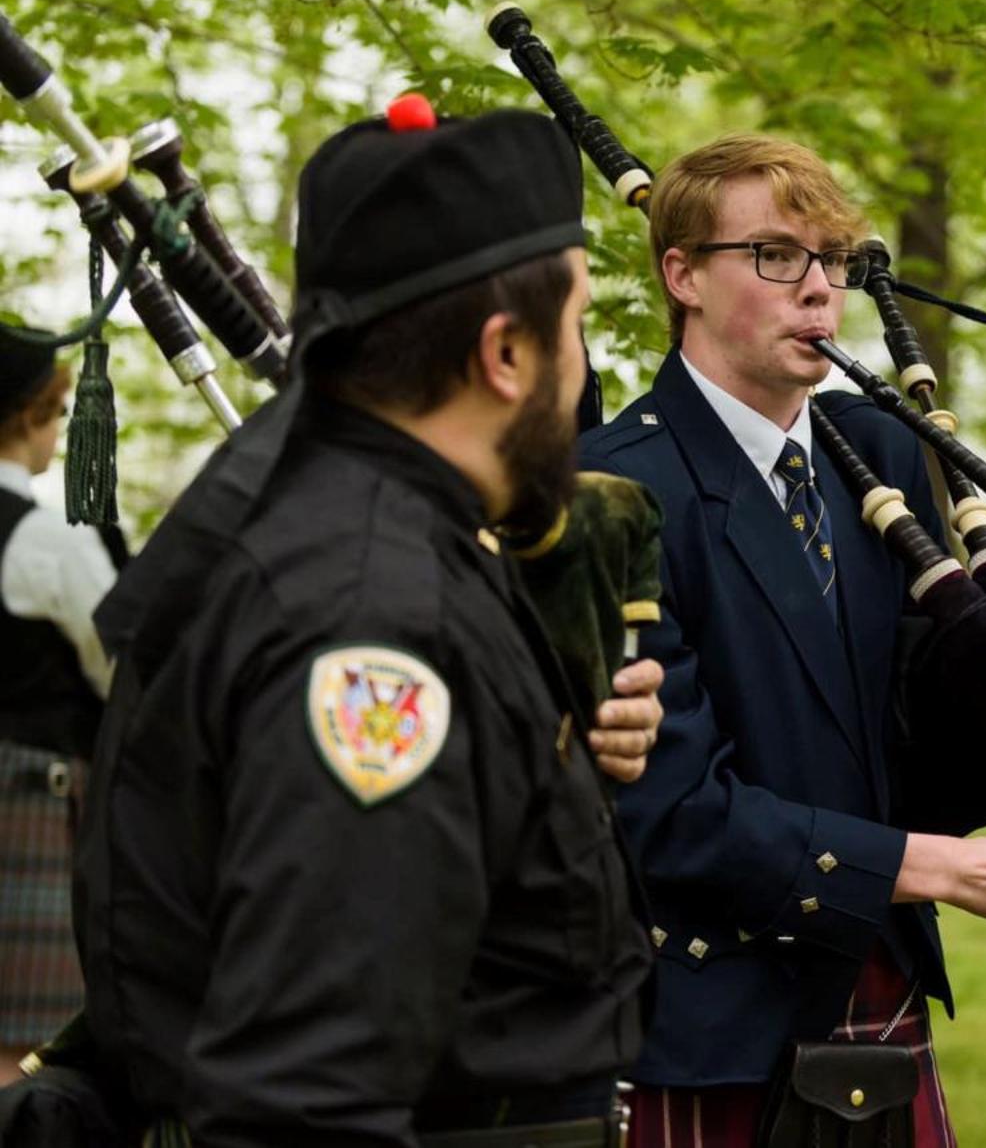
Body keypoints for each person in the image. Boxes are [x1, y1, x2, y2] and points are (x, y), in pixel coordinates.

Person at [70, 103, 663, 1147]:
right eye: (573, 329)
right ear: (505, 354)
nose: (581, 374)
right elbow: (307, 1100)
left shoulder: (361, 543)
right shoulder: (374, 624)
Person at [578, 133, 986, 1147]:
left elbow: (921, 682)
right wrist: (943, 868)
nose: (817, 289)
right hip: (703, 1017)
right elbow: (670, 810)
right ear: (680, 273)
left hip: (873, 979)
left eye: (834, 258)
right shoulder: (616, 490)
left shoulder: (883, 447)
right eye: (775, 255)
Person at [0, 330, 117, 1083]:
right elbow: (122, 666)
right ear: (33, 415)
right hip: (28, 805)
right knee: (22, 1052)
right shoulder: (46, 537)